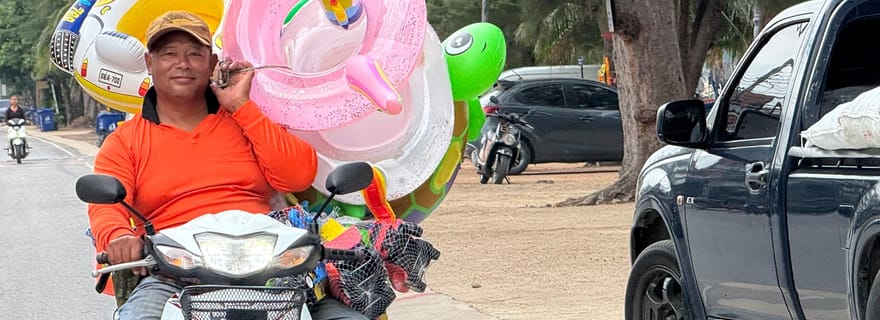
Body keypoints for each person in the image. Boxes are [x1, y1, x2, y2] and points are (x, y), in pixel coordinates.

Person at [87, 11, 367, 320]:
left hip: (270, 269)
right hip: (173, 274)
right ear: (149, 62)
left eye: (195, 54)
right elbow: (105, 205)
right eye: (169, 54)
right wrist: (117, 237)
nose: (182, 63)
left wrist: (240, 105)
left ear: (212, 63)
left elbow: (298, 176)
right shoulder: (125, 141)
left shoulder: (246, 121)